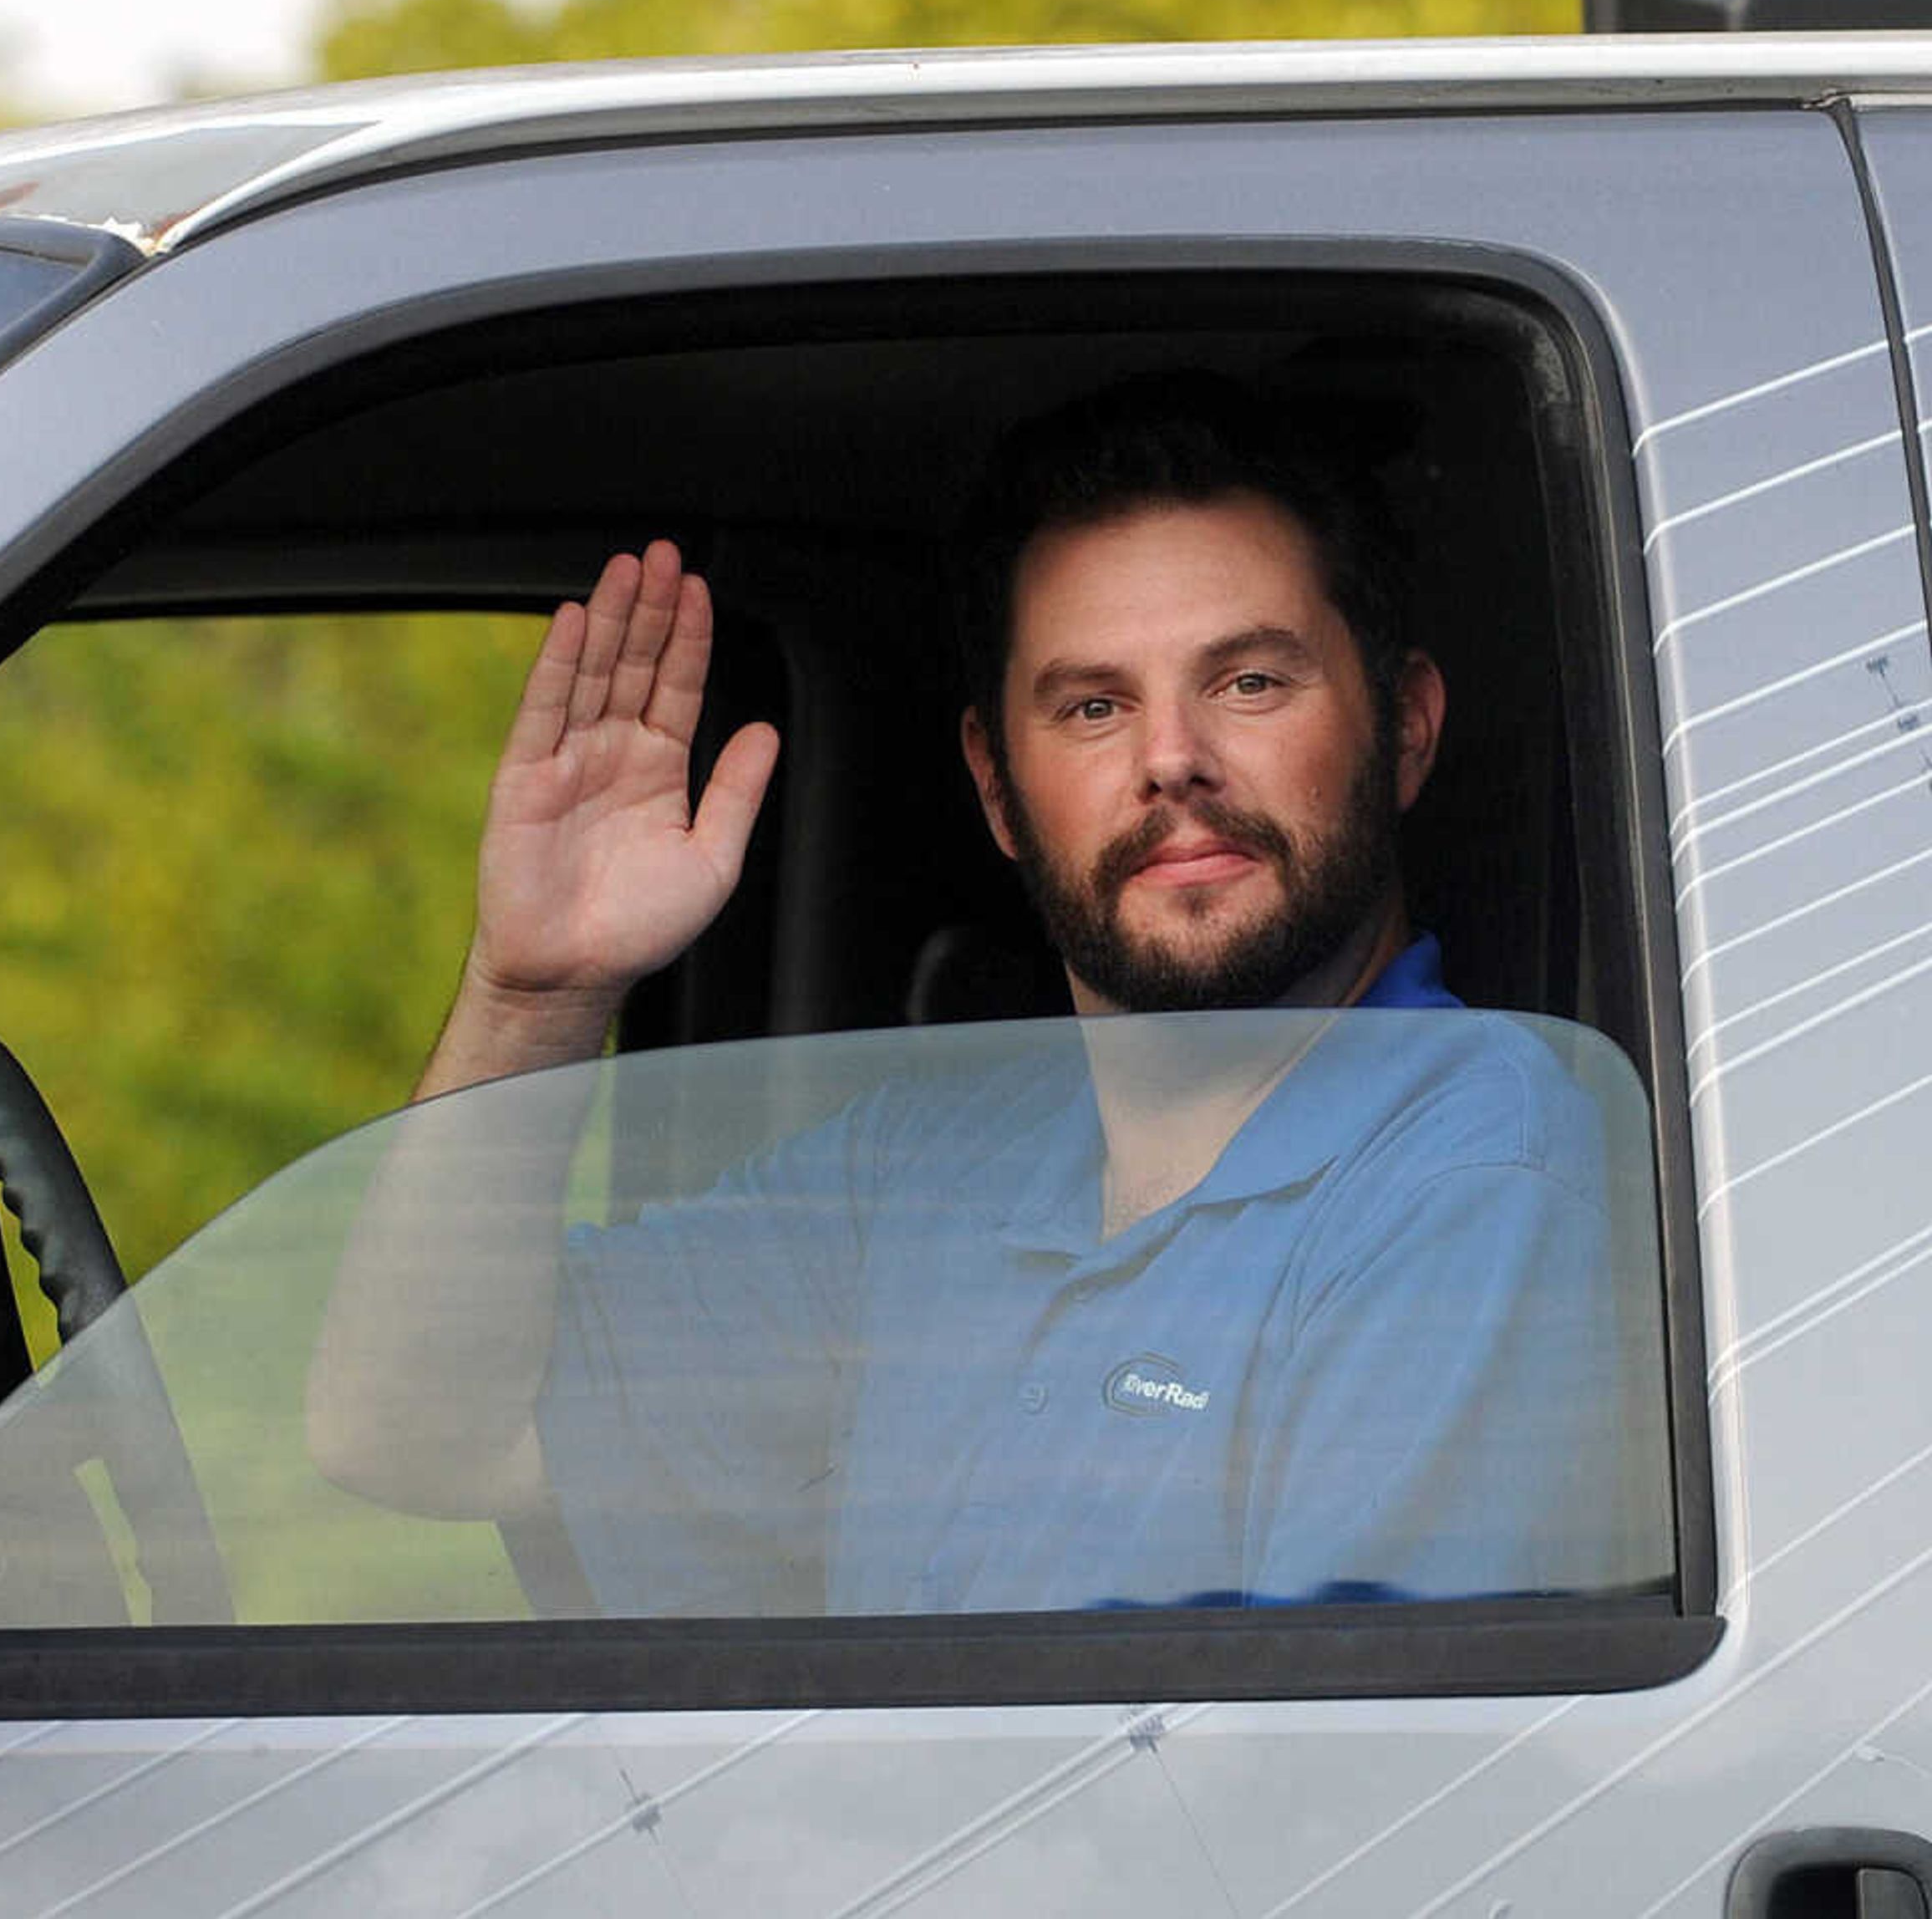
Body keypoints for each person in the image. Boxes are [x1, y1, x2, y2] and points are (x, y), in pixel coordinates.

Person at [307, 375, 1648, 1615]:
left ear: (1404, 728)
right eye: (1090, 709)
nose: (1173, 760)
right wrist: (540, 992)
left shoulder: (1480, 1166)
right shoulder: (922, 1170)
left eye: (1249, 681)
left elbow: (1328, 1827)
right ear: (997, 787)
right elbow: (415, 1432)